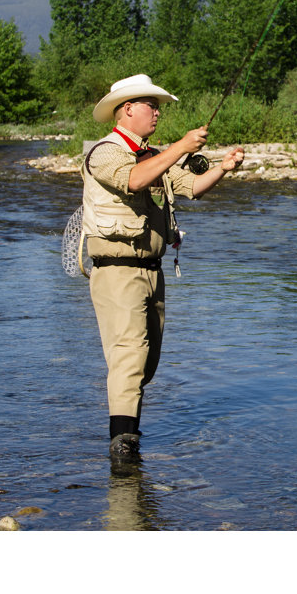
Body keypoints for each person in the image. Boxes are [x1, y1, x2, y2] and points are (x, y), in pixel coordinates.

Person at [81, 74, 244, 463]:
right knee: (129, 355)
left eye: (158, 106)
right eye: (150, 105)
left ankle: (127, 433)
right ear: (127, 110)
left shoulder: (153, 153)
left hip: (152, 272)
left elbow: (193, 187)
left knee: (147, 361)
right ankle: (123, 444)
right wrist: (182, 146)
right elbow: (134, 180)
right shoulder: (104, 152)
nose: (157, 112)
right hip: (116, 270)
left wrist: (222, 167)